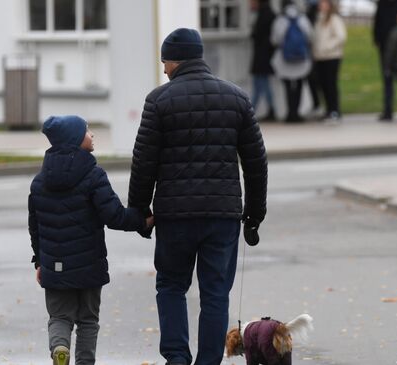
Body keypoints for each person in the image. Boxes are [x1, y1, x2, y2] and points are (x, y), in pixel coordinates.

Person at [128, 28, 268, 365]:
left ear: (175, 61)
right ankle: (208, 361)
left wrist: (138, 212)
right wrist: (254, 214)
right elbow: (255, 161)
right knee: (216, 294)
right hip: (222, 217)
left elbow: (144, 161)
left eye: (165, 62)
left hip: (175, 217)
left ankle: (177, 358)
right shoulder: (237, 98)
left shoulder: (158, 101)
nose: (163, 69)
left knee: (172, 287)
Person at [28, 115, 153, 365]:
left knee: (60, 317)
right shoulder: (93, 175)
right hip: (89, 265)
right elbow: (114, 215)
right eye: (86, 131)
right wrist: (143, 221)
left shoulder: (40, 182)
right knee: (87, 320)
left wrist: (40, 261)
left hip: (55, 265)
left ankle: (60, 347)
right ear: (75, 139)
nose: (92, 135)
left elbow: (36, 227)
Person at [271, 0, 313, 123]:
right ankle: (297, 112)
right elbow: (310, 35)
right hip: (302, 59)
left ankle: (290, 113)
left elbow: (275, 40)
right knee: (299, 85)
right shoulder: (303, 19)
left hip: (284, 59)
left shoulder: (280, 20)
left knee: (288, 87)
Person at [312, 0, 347, 122]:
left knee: (331, 84)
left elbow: (341, 37)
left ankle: (335, 110)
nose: (321, 5)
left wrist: (326, 47)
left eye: (323, 3)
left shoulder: (334, 19)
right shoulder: (319, 19)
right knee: (323, 85)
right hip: (320, 57)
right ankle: (328, 109)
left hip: (332, 57)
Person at [250, 0, 277, 121]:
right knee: (262, 85)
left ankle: (251, 111)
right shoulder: (268, 14)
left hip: (262, 57)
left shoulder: (264, 15)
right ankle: (268, 109)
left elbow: (258, 36)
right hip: (265, 56)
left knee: (260, 85)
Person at [306, 0, 322, 116]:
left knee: (315, 80)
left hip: (318, 53)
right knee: (313, 80)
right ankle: (317, 104)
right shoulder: (312, 16)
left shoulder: (314, 16)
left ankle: (317, 105)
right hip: (313, 53)